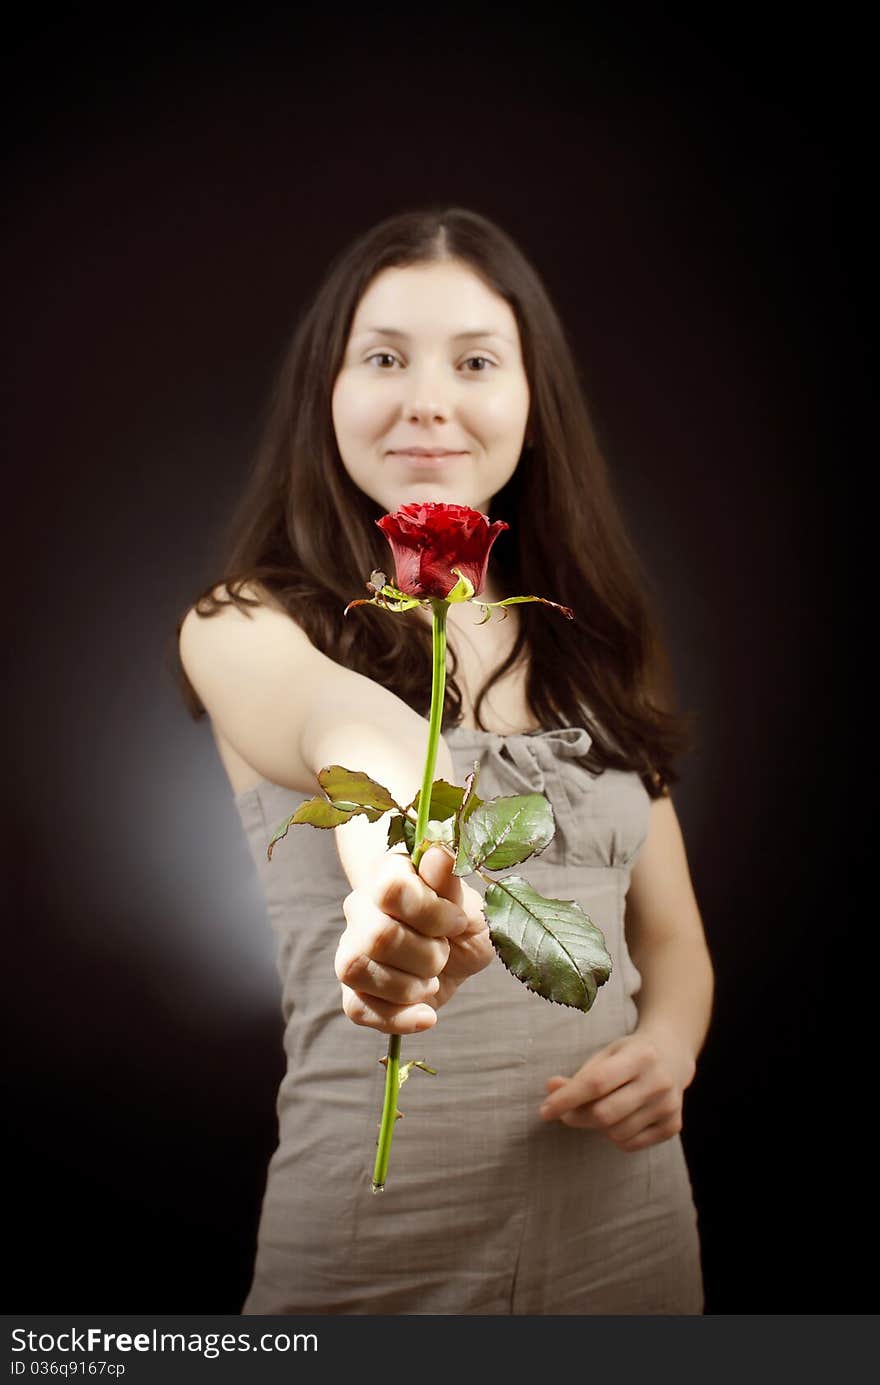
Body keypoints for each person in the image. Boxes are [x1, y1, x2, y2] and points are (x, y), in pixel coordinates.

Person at [173, 206, 714, 1315]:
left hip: (633, 1231)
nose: (427, 397)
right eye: (383, 357)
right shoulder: (241, 622)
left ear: (530, 399)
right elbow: (350, 727)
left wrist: (667, 1047)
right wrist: (393, 876)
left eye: (474, 360)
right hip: (376, 1248)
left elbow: (672, 941)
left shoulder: (603, 646)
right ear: (327, 391)